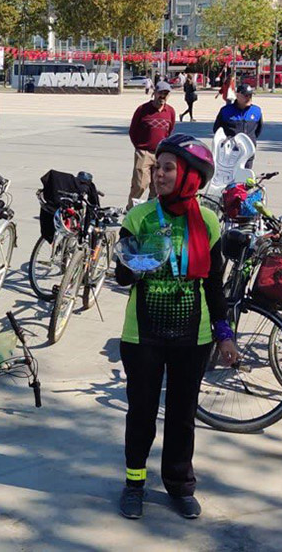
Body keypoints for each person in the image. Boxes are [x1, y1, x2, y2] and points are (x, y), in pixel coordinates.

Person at [114, 134, 238, 521]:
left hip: (193, 335)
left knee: (183, 416)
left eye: (168, 168)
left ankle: (180, 485)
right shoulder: (140, 217)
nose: (159, 175)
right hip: (143, 334)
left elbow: (214, 284)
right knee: (142, 414)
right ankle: (135, 483)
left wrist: (225, 334)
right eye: (157, 167)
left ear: (190, 175)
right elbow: (121, 276)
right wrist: (136, 259)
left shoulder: (210, 221)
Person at [128, 82, 176, 210]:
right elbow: (133, 131)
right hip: (144, 152)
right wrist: (139, 146)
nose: (163, 96)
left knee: (158, 186)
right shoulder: (142, 110)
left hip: (160, 154)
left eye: (166, 94)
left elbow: (169, 131)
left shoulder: (170, 111)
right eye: (160, 93)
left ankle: (152, 211)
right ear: (154, 93)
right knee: (140, 184)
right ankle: (131, 210)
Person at [213, 84, 263, 167]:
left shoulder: (256, 111)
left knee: (246, 177)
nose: (248, 98)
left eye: (250, 95)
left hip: (248, 152)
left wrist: (251, 140)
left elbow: (258, 130)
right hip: (230, 153)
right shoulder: (226, 111)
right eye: (246, 95)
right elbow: (217, 130)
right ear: (237, 95)